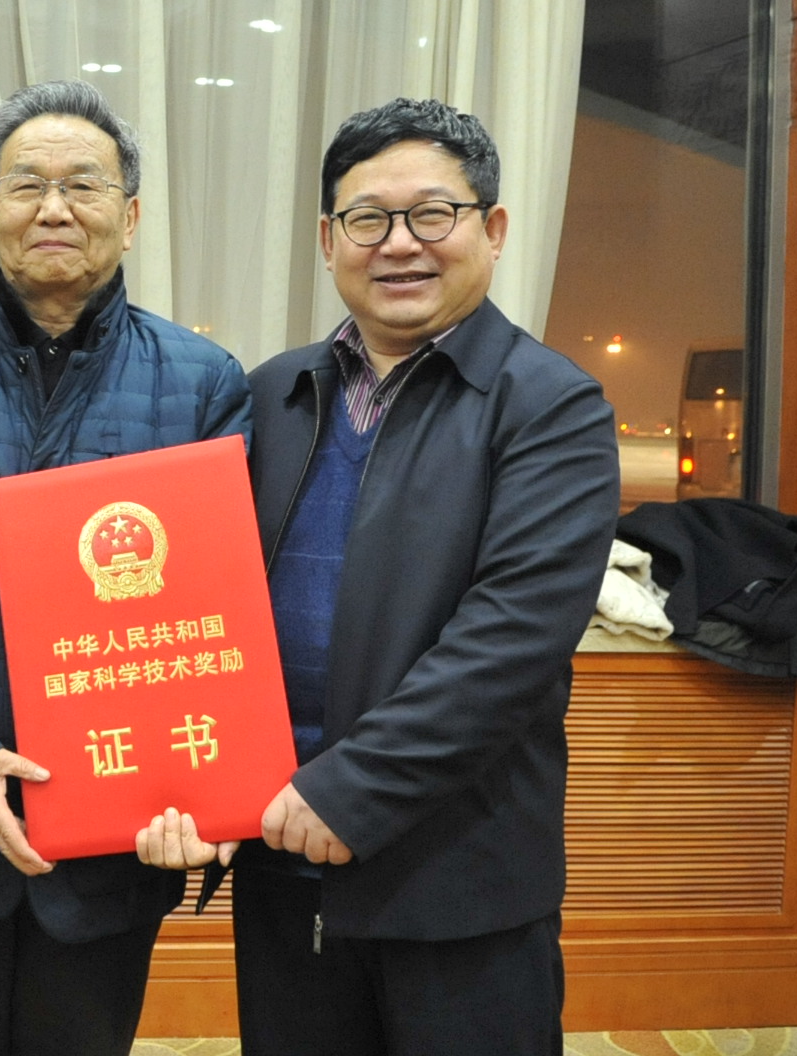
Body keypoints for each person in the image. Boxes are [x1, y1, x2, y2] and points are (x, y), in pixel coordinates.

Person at [139, 97, 619, 1054]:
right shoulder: (273, 394)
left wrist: (348, 793)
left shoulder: (550, 406)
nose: (399, 243)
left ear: (493, 229)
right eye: (367, 218)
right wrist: (182, 777)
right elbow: (194, 602)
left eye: (433, 214)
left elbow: (509, 642)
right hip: (282, 864)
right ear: (329, 241)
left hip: (457, 879)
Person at [0, 80, 252, 1056]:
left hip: (118, 832)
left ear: (130, 216)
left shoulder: (203, 384)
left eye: (83, 185)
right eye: (27, 185)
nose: (54, 208)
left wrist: (207, 787)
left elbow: (223, 603)